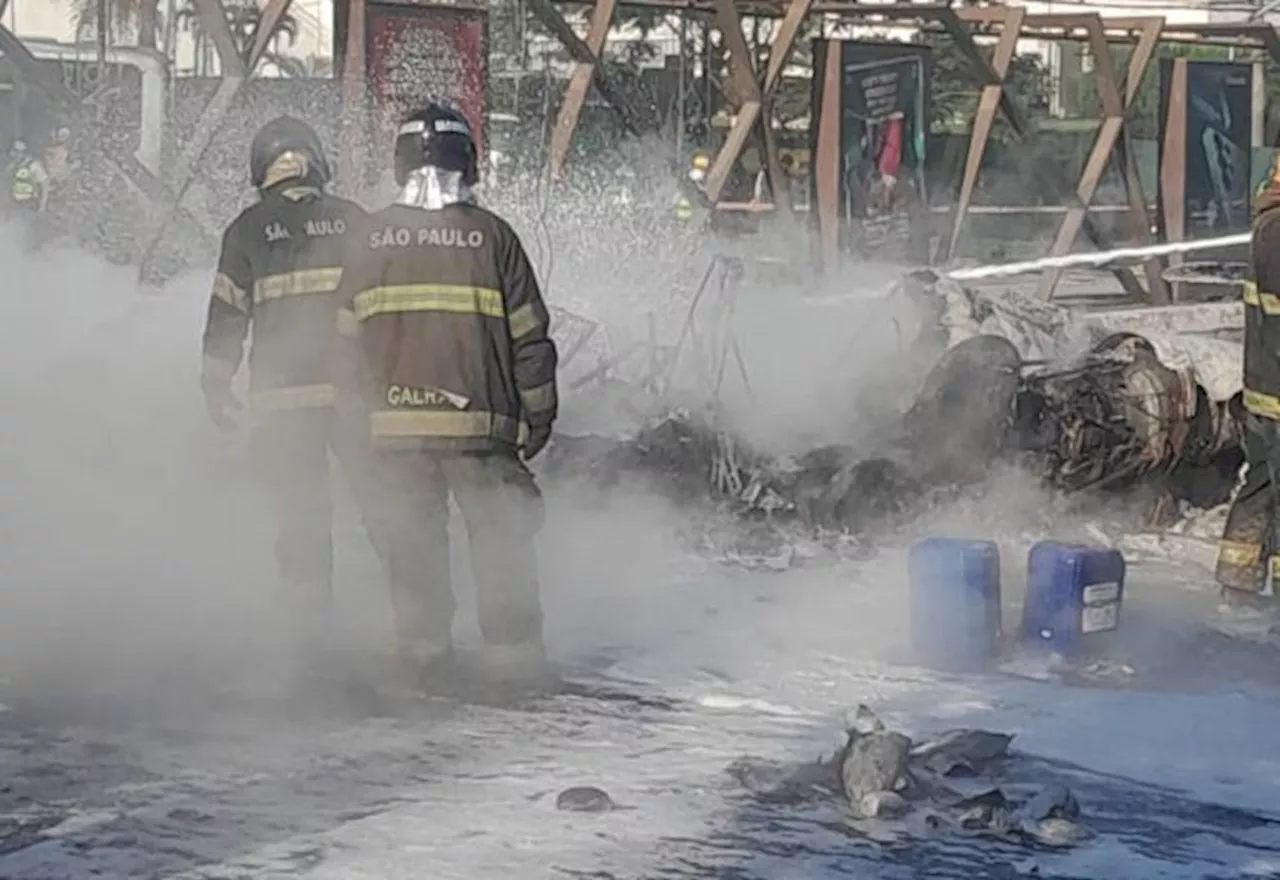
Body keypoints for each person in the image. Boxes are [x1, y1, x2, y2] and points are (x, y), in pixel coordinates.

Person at [336, 104, 559, 689]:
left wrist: (354, 426)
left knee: (412, 540)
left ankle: (422, 656)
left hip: (394, 432)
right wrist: (539, 417)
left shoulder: (368, 238)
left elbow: (343, 349)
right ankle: (513, 666)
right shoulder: (494, 237)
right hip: (479, 432)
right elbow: (530, 339)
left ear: (400, 162)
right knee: (501, 538)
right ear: (470, 161)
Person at [200, 115, 375, 666]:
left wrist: (215, 383)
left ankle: (308, 635)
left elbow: (227, 315)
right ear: (316, 163)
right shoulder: (351, 219)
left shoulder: (246, 230)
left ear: (262, 171)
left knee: (302, 517)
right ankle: (414, 617)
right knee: (383, 503)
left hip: (282, 403)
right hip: (353, 395)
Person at [1216, 153, 1280, 606]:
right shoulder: (1276, 231)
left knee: (1262, 483)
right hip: (1277, 389)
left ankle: (1236, 579)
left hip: (1267, 386)